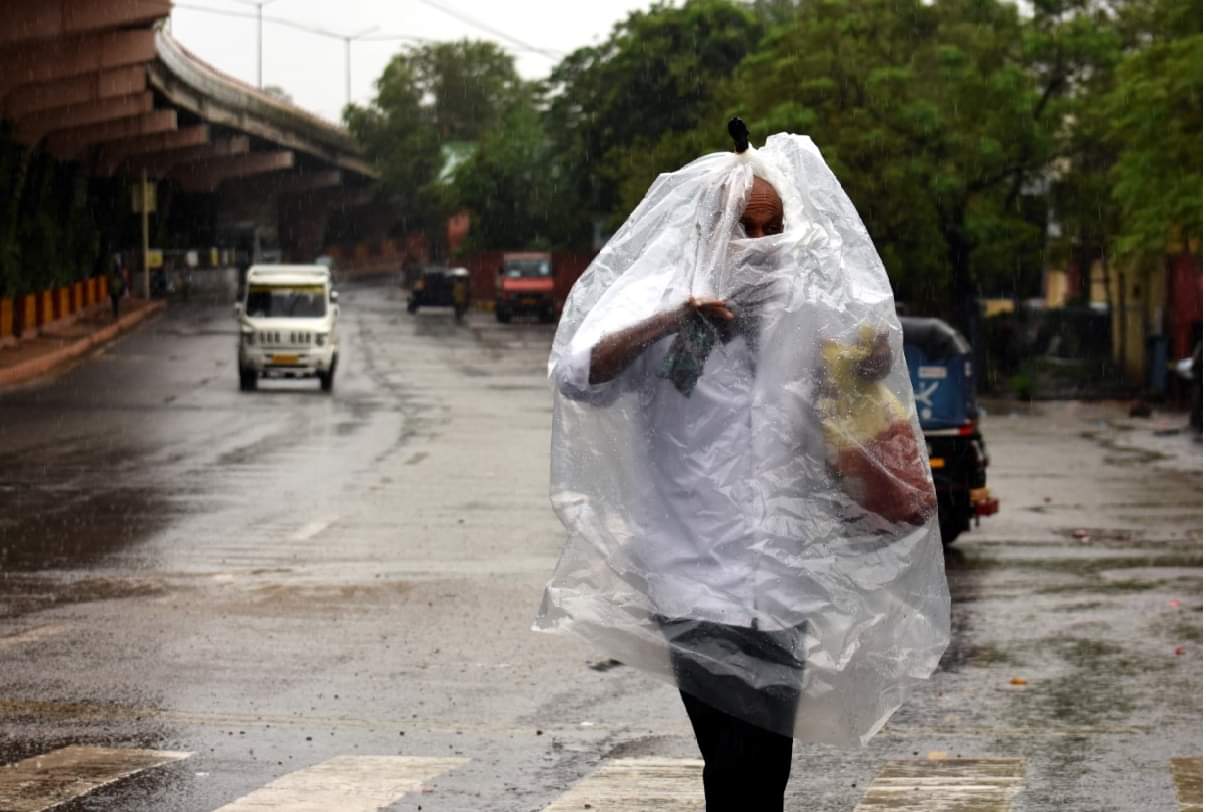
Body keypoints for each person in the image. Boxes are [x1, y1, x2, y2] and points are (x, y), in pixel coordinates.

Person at [535, 125, 949, 810]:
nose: (758, 243)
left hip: (783, 581)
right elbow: (576, 375)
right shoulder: (662, 298)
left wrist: (862, 375)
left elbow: (845, 409)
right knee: (733, 760)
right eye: (743, 227)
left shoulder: (811, 312)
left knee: (765, 770)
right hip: (691, 580)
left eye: (771, 227)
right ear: (711, 229)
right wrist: (669, 321)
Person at [107, 255, 126, 321]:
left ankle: (115, 315)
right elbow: (122, 280)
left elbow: (111, 280)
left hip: (114, 288)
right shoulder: (118, 270)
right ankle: (116, 315)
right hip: (116, 288)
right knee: (115, 302)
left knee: (114, 302)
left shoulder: (112, 271)